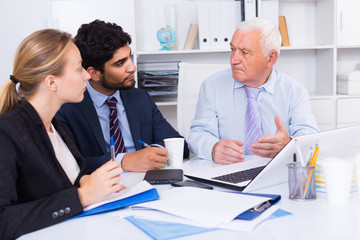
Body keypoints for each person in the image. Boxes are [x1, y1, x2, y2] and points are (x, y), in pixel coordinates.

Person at [0, 29, 126, 240]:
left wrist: (87, 181)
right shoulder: (7, 133)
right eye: (79, 69)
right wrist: (82, 196)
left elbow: (61, 182)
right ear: (51, 82)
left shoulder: (56, 126)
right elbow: (3, 221)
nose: (87, 75)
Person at [56, 20, 189, 172]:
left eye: (129, 57)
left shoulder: (140, 98)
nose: (132, 67)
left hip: (146, 182)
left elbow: (180, 145)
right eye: (120, 63)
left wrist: (153, 154)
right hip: (103, 189)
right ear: (94, 73)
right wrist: (123, 161)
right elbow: (69, 165)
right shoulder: (68, 107)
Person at [188, 18, 319, 165]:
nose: (234, 60)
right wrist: (212, 148)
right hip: (228, 172)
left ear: (271, 58)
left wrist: (289, 145)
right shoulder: (211, 86)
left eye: (245, 52)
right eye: (232, 50)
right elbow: (197, 134)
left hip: (276, 172)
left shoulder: (294, 92)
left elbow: (311, 139)